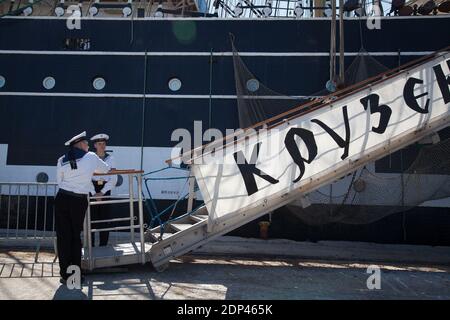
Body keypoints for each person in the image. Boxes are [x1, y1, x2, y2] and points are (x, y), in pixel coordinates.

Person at [55, 131, 110, 285]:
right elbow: (105, 169)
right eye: (86, 143)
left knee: (63, 238)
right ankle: (75, 276)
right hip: (78, 201)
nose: (87, 146)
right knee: (74, 237)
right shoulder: (91, 157)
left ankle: (65, 275)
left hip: (62, 198)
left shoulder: (61, 160)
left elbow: (59, 181)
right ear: (80, 145)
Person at [90, 133, 117, 247]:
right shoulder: (90, 159)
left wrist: (102, 192)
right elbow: (86, 177)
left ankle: (103, 246)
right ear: (95, 145)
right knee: (91, 219)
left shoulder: (111, 159)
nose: (102, 146)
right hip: (92, 190)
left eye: (104, 144)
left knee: (105, 220)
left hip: (105, 190)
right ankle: (90, 246)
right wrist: (94, 193)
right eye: (100, 144)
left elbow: (114, 178)